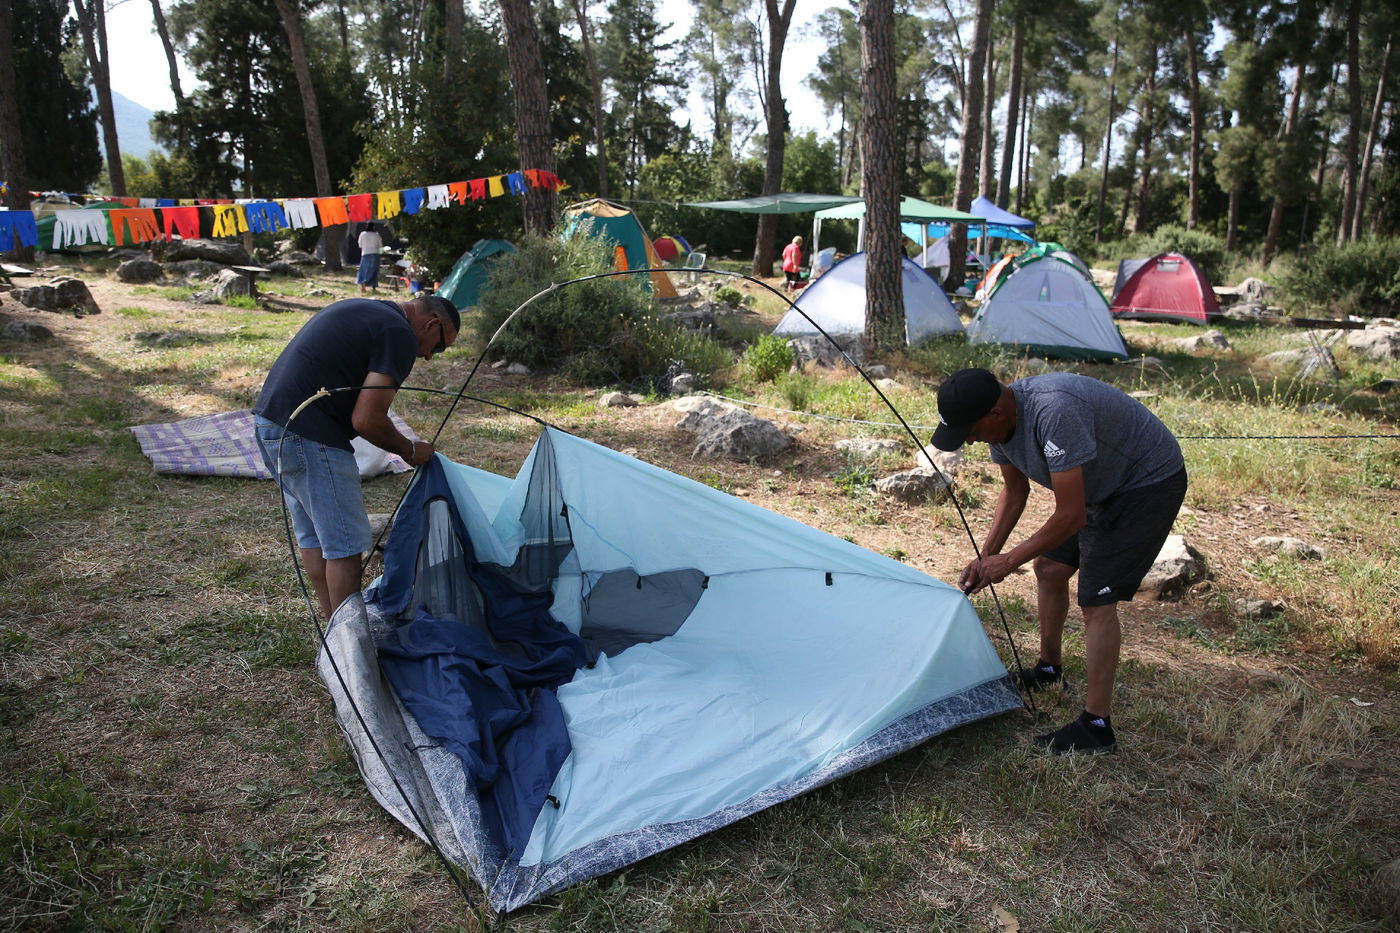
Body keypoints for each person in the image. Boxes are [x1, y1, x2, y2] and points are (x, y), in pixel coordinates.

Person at [930, 368, 1186, 754]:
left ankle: (1096, 727)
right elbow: (1014, 493)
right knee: (1049, 568)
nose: (971, 439)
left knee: (1096, 601)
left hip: (1144, 484)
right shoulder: (1000, 425)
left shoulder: (1054, 412)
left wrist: (1009, 560)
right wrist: (987, 558)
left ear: (996, 413)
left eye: (973, 432)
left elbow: (1071, 515)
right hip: (1098, 487)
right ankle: (1049, 670)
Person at [253, 295, 461, 620]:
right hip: (310, 434)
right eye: (438, 346)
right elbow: (367, 419)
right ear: (431, 324)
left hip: (272, 423)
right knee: (346, 547)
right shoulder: (399, 333)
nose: (429, 357)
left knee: (318, 539)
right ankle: (351, 648)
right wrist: (409, 450)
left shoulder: (369, 309)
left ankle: (335, 636)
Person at [356, 223, 384, 293]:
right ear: (374, 227)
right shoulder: (376, 235)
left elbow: (360, 245)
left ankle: (363, 283)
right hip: (375, 254)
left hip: (365, 253)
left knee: (363, 270)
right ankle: (373, 286)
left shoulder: (362, 234)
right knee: (374, 271)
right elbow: (380, 245)